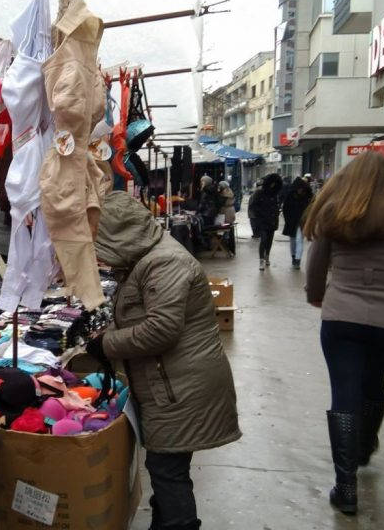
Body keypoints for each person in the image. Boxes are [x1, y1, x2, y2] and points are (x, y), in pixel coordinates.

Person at [87, 191, 241, 530]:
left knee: (168, 472)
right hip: (171, 383)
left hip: (181, 389)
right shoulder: (149, 257)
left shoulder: (164, 262)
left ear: (120, 234)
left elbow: (162, 329)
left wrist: (106, 344)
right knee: (166, 469)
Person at [302, 152, 384, 515]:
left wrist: (317, 297)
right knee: (373, 384)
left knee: (344, 392)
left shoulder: (334, 211)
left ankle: (346, 488)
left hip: (342, 317)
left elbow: (315, 266)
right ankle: (362, 449)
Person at [248, 173, 283, 270]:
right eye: (272, 183)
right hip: (262, 221)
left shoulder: (275, 194)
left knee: (269, 241)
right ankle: (261, 260)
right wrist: (258, 216)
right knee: (263, 240)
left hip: (272, 221)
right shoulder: (259, 193)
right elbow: (253, 206)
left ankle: (267, 256)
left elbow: (277, 206)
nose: (273, 185)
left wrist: (276, 212)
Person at [281, 177, 314, 269]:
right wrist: (287, 219)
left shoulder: (307, 197)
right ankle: (293, 256)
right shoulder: (290, 196)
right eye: (299, 189)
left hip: (302, 222)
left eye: (302, 189)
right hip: (292, 221)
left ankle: (297, 259)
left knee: (299, 240)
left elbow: (311, 208)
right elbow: (285, 209)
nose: (300, 191)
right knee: (293, 240)